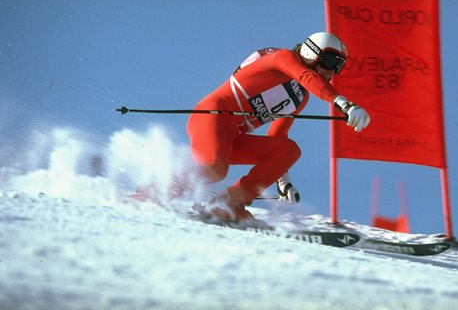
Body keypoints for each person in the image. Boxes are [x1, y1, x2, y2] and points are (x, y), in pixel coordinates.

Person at [132, 32, 370, 221]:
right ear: (311, 52)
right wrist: (344, 104)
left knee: (289, 149)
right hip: (212, 116)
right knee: (215, 169)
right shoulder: (283, 58)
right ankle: (149, 194)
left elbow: (278, 134)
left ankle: (231, 201)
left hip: (233, 135)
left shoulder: (300, 97)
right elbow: (307, 77)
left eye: (338, 66)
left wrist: (282, 180)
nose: (331, 71)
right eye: (330, 61)